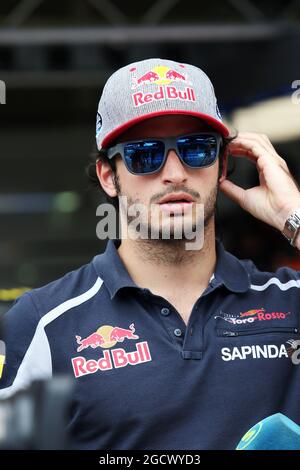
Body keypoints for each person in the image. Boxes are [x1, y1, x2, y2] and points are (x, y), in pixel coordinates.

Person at [0, 58, 299, 450]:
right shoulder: (45, 324)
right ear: (109, 176)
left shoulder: (290, 299)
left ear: (223, 164)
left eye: (196, 150)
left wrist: (293, 214)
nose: (174, 173)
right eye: (145, 154)